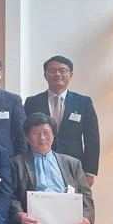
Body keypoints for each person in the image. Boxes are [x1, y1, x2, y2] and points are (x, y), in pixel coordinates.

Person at [24, 55, 100, 187]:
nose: (58, 74)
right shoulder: (32, 102)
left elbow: (92, 139)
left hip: (73, 165)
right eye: (52, 71)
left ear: (70, 75)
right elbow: (25, 134)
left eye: (62, 70)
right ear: (45, 75)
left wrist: (89, 172)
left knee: (72, 198)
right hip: (38, 164)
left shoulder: (83, 102)